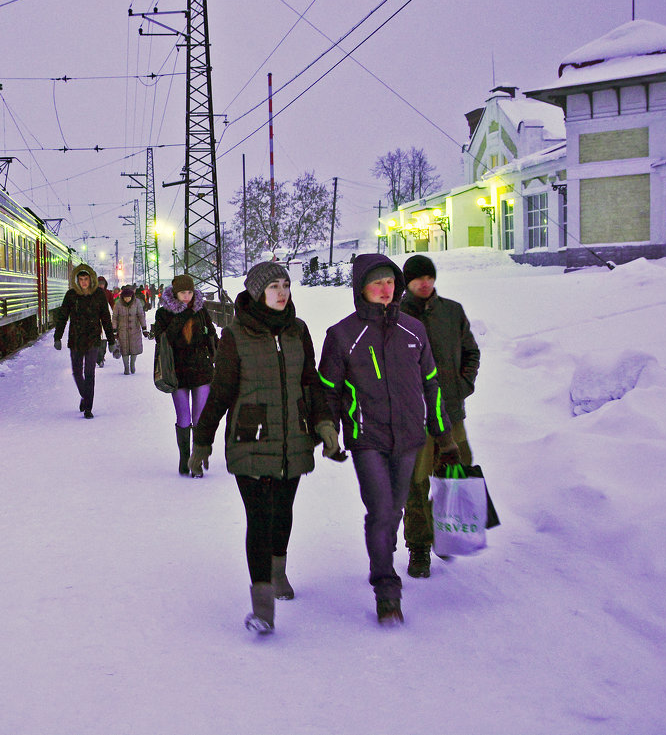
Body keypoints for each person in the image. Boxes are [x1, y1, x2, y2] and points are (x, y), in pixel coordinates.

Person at [190, 262, 332, 635]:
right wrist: (202, 440)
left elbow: (311, 383)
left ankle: (278, 571)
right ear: (257, 292)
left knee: (283, 512)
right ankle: (263, 606)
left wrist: (324, 424)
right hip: (250, 439)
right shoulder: (235, 335)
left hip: (293, 439)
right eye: (273, 286)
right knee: (259, 518)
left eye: (285, 285)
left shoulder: (298, 331)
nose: (282, 292)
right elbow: (220, 392)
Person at [317, 254, 458, 626]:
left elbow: (432, 385)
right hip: (368, 439)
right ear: (361, 288)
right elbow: (327, 391)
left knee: (393, 512)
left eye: (390, 282)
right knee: (381, 511)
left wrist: (443, 434)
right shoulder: (343, 335)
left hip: (410, 437)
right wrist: (329, 431)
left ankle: (383, 547)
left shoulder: (414, 330)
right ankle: (386, 588)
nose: (385, 289)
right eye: (377, 282)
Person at [399, 254, 481, 579]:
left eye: (429, 277)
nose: (425, 283)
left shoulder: (452, 311)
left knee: (455, 474)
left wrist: (463, 385)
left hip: (451, 413)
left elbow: (471, 351)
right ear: (407, 282)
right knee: (416, 484)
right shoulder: (397, 315)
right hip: (416, 418)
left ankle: (450, 536)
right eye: (418, 278)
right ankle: (419, 547)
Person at [154, 274, 217, 477]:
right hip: (177, 372)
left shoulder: (200, 309)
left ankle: (195, 461)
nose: (187, 296)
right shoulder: (163, 313)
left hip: (201, 370)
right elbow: (162, 339)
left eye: (190, 292)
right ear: (175, 293)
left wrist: (217, 352)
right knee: (184, 417)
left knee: (199, 418)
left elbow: (211, 334)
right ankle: (184, 456)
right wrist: (181, 315)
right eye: (183, 293)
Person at [54, 264, 115, 418]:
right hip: (76, 339)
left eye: (86, 279)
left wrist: (111, 340)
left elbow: (106, 318)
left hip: (93, 339)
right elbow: (63, 316)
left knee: (90, 373)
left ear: (91, 279)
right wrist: (57, 336)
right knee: (76, 372)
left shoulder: (99, 295)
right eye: (80, 279)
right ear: (77, 280)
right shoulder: (71, 295)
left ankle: (88, 408)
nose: (83, 282)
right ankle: (85, 395)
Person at [112, 285, 146, 375]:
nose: (127, 299)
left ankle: (132, 364)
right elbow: (114, 317)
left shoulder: (137, 302)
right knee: (124, 349)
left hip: (135, 329)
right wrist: (114, 329)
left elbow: (141, 315)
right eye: (125, 298)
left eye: (129, 297)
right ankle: (126, 367)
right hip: (122, 330)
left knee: (134, 348)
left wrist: (144, 328)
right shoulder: (118, 304)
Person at [95, 276, 113, 367]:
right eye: (99, 283)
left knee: (104, 340)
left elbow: (112, 304)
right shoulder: (92, 293)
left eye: (102, 283)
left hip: (105, 318)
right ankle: (99, 358)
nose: (101, 285)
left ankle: (102, 356)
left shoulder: (108, 293)